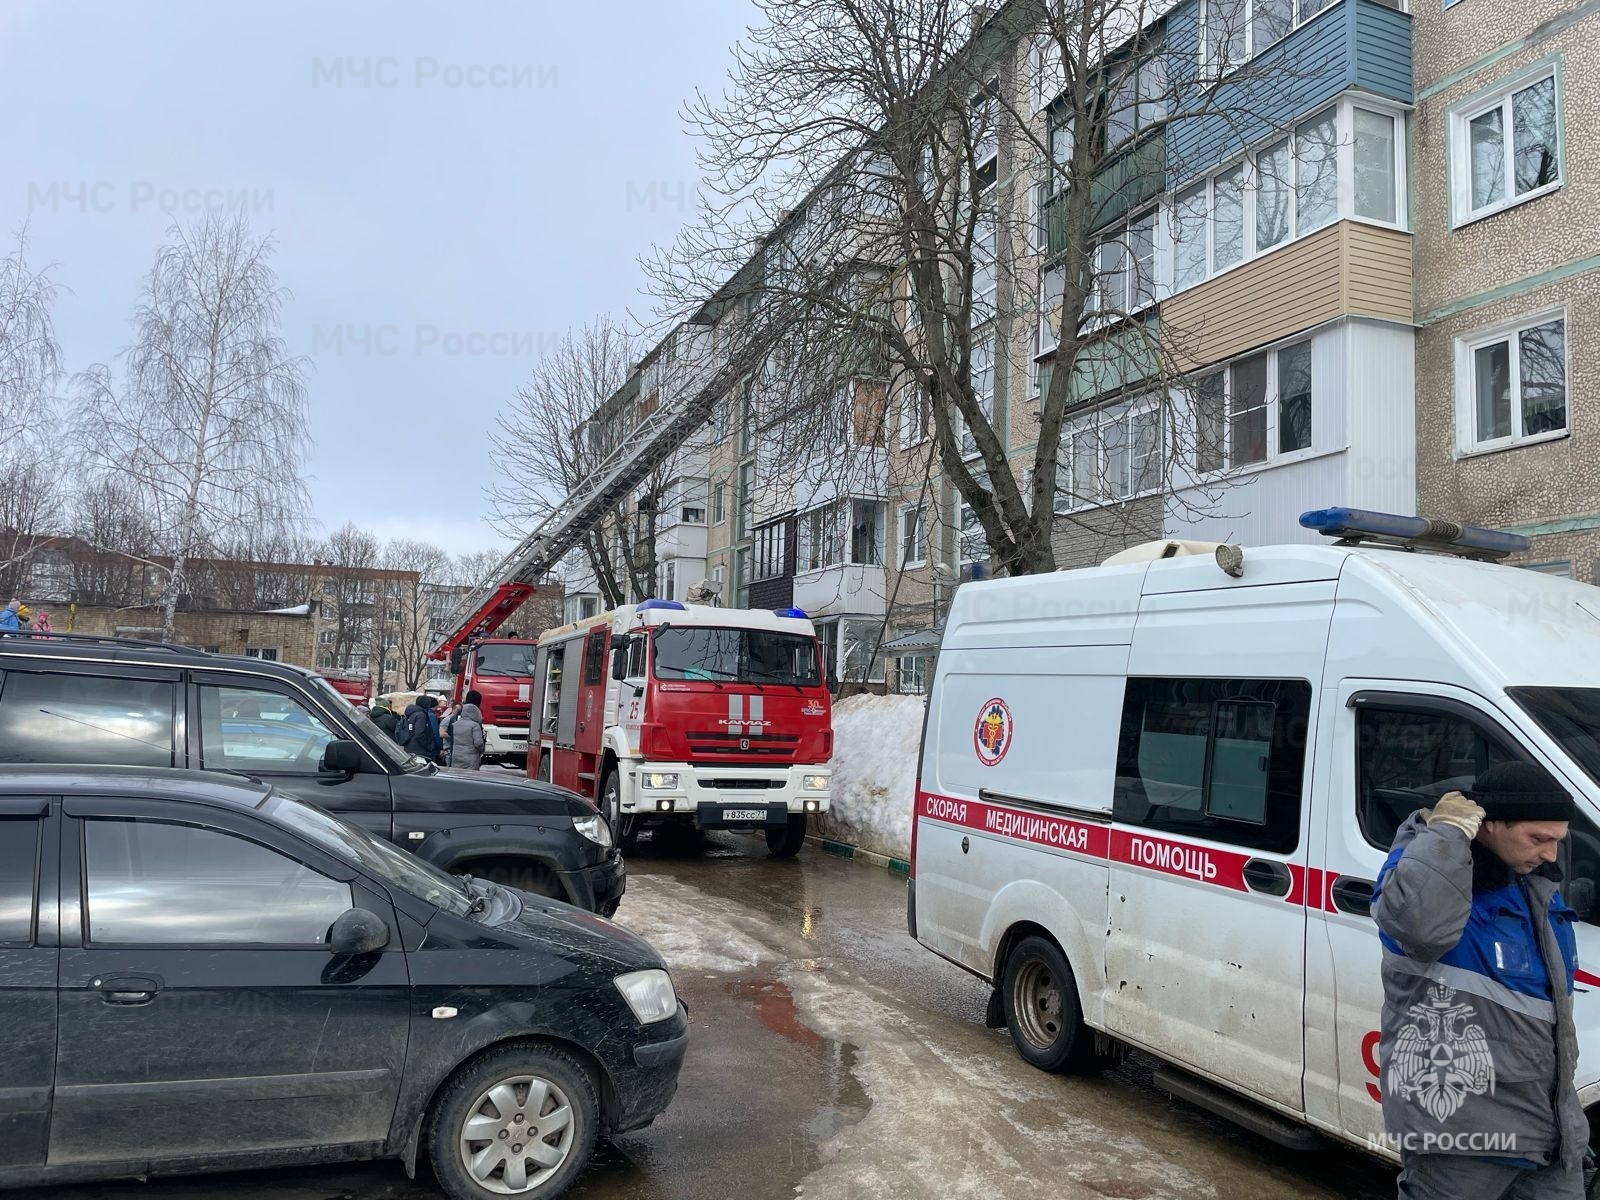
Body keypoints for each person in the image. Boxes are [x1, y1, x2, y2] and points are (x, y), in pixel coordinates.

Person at [1372, 761, 1585, 1199]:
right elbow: (1419, 927)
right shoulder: (1425, 869)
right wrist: (1447, 834)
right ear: (1487, 825)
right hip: (1461, 1137)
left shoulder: (1533, 885)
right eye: (1539, 839)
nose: (1550, 854)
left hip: (1548, 1136)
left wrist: (1570, 1127)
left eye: (1557, 841)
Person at [396, 694, 442, 761]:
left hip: (409, 747)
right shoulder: (421, 715)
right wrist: (429, 746)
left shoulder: (411, 713)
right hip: (420, 750)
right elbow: (419, 733)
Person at [450, 690, 487, 771]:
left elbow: (451, 738)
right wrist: (482, 750)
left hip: (456, 755)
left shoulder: (456, 720)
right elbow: (478, 743)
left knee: (457, 776)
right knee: (470, 778)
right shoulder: (475, 724)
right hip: (470, 757)